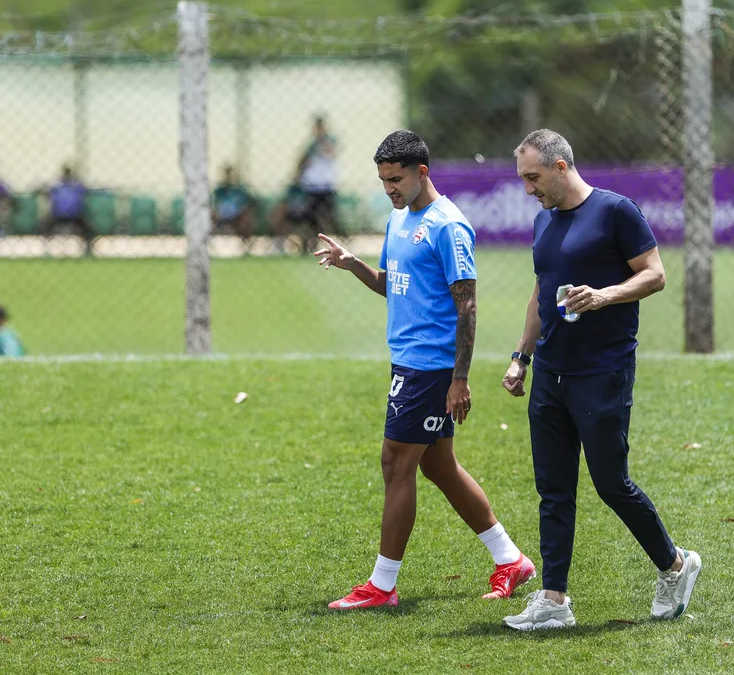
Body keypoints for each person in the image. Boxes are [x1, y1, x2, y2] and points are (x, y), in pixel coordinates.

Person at [314, 129, 535, 610]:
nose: (388, 188)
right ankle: (511, 559)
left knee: (397, 464)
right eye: (382, 180)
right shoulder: (400, 218)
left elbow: (468, 305)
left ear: (421, 172)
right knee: (437, 464)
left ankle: (382, 585)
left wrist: (459, 378)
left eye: (395, 179)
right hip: (410, 364)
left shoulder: (447, 226)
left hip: (430, 370)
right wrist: (353, 265)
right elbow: (391, 285)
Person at [500, 129, 702, 631]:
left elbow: (654, 274)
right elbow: (540, 294)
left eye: (534, 177)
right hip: (550, 373)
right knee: (554, 489)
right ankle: (554, 600)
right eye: (523, 178)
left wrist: (605, 295)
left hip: (602, 372)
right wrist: (520, 356)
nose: (528, 188)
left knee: (611, 483)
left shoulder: (616, 211)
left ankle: (676, 565)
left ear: (561, 166)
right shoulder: (543, 221)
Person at [298, 115, 342, 236]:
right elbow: (303, 161)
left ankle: (342, 239)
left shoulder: (329, 141)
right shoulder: (312, 145)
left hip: (326, 184)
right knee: (311, 216)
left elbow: (330, 152)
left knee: (330, 215)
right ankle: (311, 240)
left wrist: (321, 141)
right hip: (312, 184)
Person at [39, 165, 93, 254]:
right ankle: (87, 250)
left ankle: (45, 250)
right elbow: (86, 192)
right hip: (70, 215)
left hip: (63, 215)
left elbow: (46, 194)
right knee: (87, 230)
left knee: (45, 227)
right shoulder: (75, 184)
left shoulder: (57, 184)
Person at [212, 165, 256, 245]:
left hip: (237, 215)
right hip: (221, 215)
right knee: (210, 216)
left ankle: (246, 245)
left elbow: (248, 203)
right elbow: (215, 204)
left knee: (246, 219)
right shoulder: (220, 190)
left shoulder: (240, 189)